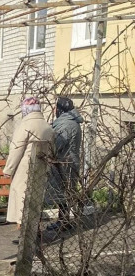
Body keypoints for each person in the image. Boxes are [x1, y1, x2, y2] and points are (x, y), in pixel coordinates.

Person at [3, 97, 56, 229]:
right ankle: (34, 231)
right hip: (41, 167)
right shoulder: (47, 126)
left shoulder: (26, 125)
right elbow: (52, 149)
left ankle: (24, 234)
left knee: (22, 199)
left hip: (24, 168)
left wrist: (8, 169)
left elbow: (17, 148)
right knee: (35, 200)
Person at [47, 96, 84, 229]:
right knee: (66, 193)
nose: (54, 110)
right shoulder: (71, 122)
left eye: (56, 107)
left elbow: (57, 145)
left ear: (60, 109)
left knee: (63, 193)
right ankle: (64, 221)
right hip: (69, 161)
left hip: (64, 163)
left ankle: (63, 222)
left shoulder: (66, 124)